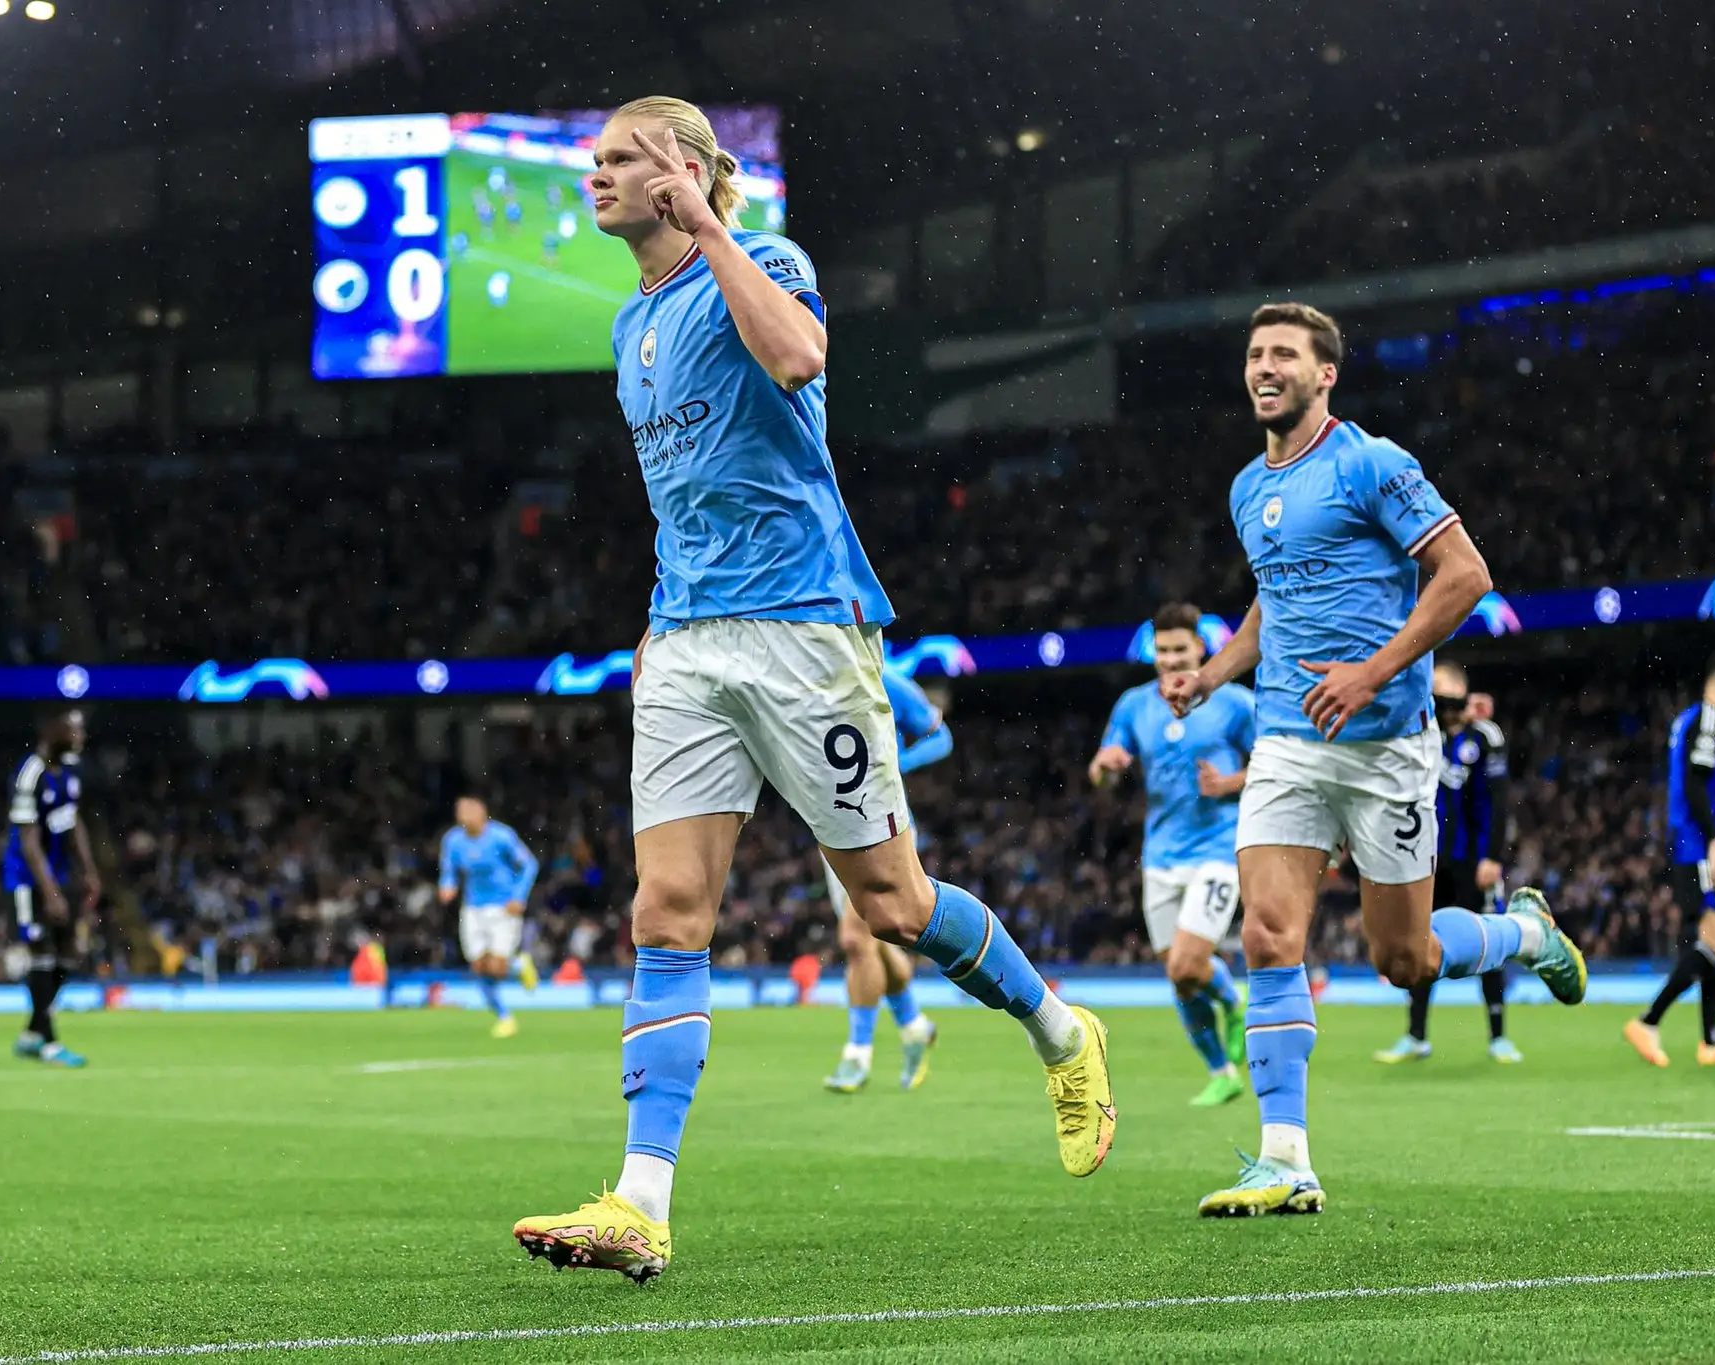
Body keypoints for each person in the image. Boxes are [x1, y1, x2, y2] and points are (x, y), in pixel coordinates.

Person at [514, 96, 1113, 1284]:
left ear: (682, 170)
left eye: (619, 159)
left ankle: (1057, 1026)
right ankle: (640, 1202)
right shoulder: (630, 322)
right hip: (684, 641)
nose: (595, 176)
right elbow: (678, 498)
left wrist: (713, 228)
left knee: (891, 903)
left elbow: (797, 358)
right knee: (665, 914)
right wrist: (652, 628)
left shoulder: (764, 258)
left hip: (800, 627)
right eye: (594, 160)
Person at [1161, 302, 1587, 1219]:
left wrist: (1372, 672)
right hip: (1285, 741)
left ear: (1326, 375)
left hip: (1387, 745)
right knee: (1271, 936)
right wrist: (1213, 676)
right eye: (1253, 354)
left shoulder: (1372, 464)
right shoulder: (1245, 488)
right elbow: (1270, 603)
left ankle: (1529, 935)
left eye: (1284, 354)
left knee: (1406, 959)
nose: (1263, 367)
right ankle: (1285, 1160)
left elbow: (1466, 574)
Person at [1089, 602, 1256, 1107]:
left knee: (1187, 965)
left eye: (1179, 649)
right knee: (1180, 981)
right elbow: (1102, 777)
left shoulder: (1234, 704)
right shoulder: (1133, 705)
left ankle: (1233, 999)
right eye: (1162, 651)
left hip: (1218, 848)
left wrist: (1228, 783)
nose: (1170, 659)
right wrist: (1105, 765)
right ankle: (1221, 1070)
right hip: (1160, 854)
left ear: (1200, 648)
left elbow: (1276, 763)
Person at [1376, 663, 1521, 1063]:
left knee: (1487, 942)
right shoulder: (1423, 736)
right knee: (1420, 942)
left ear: (1461, 690)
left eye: (1444, 689)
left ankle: (1498, 1036)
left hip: (1474, 860)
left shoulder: (1485, 737)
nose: (1438, 696)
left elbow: (1499, 803)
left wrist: (1493, 856)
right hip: (1428, 861)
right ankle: (1416, 1035)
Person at [1625, 657, 1715, 1067]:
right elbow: (1697, 783)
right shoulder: (1707, 718)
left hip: (1696, 843)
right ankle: (1647, 1022)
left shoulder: (1690, 719)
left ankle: (1712, 1040)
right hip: (1698, 846)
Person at [822, 666, 947, 1094]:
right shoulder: (803, 677)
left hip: (882, 824)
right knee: (875, 937)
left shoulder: (880, 675)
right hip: (829, 829)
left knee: (856, 940)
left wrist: (899, 763)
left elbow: (941, 736)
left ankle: (857, 1054)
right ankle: (914, 1025)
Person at [3, 709, 101, 1068]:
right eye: (74, 728)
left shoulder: (69, 771)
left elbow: (73, 823)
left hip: (58, 878)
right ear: (52, 730)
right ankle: (48, 1042)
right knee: (41, 952)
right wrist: (50, 892)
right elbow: (29, 841)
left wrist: (90, 871)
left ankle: (32, 1032)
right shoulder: (31, 774)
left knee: (69, 954)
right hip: (29, 882)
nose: (80, 735)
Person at [438, 796, 541, 1039]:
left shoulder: (501, 837)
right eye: (460, 811)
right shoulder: (453, 841)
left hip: (503, 907)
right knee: (478, 967)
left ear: (482, 813)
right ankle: (505, 1017)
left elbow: (529, 865)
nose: (464, 816)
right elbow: (448, 869)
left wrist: (519, 896)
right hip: (472, 908)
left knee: (496, 966)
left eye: (469, 811)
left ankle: (518, 966)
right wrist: (447, 885)